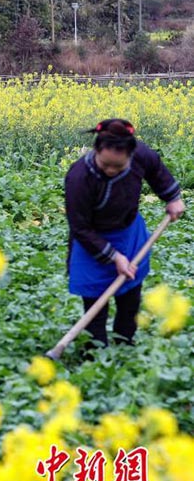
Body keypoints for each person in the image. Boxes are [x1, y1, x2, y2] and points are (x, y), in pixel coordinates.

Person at [65, 119, 184, 354]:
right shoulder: (79, 177)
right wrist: (114, 257)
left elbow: (157, 172)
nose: (110, 170)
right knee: (95, 300)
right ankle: (95, 352)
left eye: (118, 167)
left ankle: (125, 345)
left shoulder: (141, 154)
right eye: (105, 164)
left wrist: (173, 198)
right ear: (96, 150)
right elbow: (80, 227)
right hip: (92, 240)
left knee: (130, 296)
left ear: (131, 155)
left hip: (129, 234)